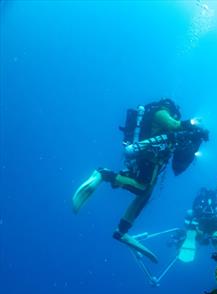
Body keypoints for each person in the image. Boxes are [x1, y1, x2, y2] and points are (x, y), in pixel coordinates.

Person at [71, 98, 209, 262]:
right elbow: (174, 125)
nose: (176, 116)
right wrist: (192, 124)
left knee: (145, 195)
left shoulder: (163, 117)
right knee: (142, 188)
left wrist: (194, 139)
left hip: (152, 161)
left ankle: (122, 231)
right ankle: (103, 174)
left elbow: (175, 142)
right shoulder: (160, 111)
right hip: (145, 157)